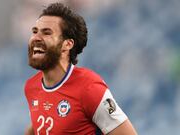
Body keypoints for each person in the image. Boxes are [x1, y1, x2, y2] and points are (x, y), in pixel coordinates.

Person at [24, 2, 137, 135]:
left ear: (67, 44)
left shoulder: (89, 88)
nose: (36, 38)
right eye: (34, 31)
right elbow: (40, 125)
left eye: (46, 33)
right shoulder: (31, 87)